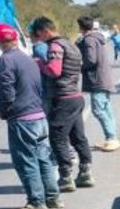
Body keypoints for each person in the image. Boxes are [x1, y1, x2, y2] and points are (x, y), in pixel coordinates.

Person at [0, 23, 63, 209]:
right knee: (43, 158)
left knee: (26, 161)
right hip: (38, 115)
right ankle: (52, 197)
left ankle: (36, 202)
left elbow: (6, 92)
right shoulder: (28, 59)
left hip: (22, 118)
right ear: (15, 39)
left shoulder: (5, 61)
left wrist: (3, 110)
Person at [29, 16, 94, 192]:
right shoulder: (72, 44)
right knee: (78, 136)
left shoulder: (55, 46)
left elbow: (54, 70)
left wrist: (40, 63)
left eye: (38, 34)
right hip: (75, 95)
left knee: (57, 137)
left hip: (62, 98)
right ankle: (86, 172)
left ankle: (65, 177)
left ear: (45, 31)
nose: (39, 38)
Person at [76, 16, 120, 152]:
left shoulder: (89, 40)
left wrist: (80, 67)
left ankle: (111, 138)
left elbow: (91, 59)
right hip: (104, 78)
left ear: (81, 27)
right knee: (106, 109)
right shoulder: (97, 38)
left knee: (98, 110)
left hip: (97, 80)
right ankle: (112, 138)